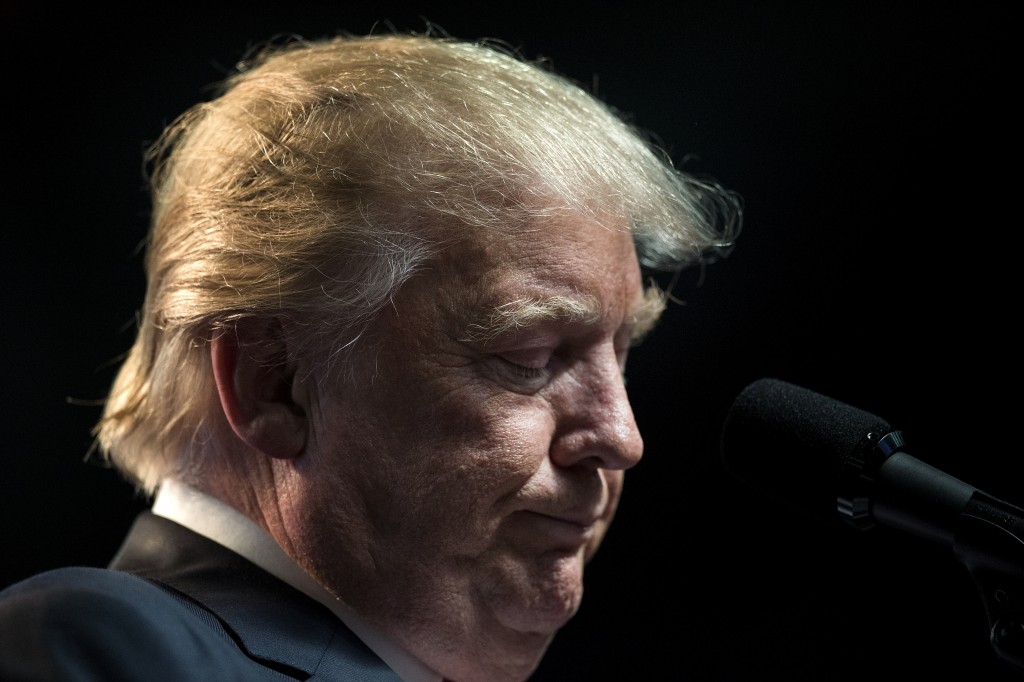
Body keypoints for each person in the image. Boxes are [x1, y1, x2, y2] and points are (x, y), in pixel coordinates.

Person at [0, 31, 740, 681]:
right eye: (531, 354)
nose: (621, 438)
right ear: (275, 383)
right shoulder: (101, 644)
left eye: (621, 353)